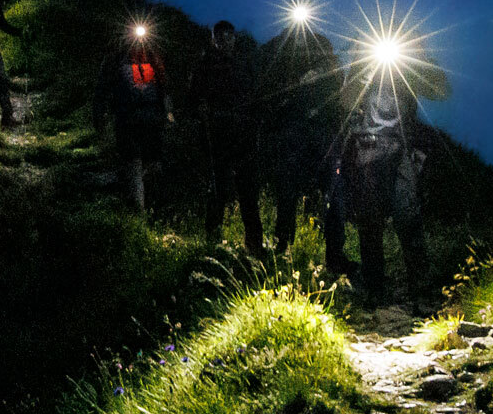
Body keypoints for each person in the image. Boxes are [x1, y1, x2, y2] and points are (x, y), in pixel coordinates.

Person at [335, 41, 451, 302]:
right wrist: (364, 68)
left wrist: (420, 56)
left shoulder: (408, 68)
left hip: (402, 149)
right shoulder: (361, 65)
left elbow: (442, 91)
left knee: (408, 217)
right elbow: (345, 101)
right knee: (370, 222)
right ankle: (375, 291)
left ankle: (421, 293)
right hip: (368, 147)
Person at [258, 20, 346, 270]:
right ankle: (281, 249)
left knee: (333, 195)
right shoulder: (283, 55)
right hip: (294, 134)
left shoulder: (326, 54)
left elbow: (339, 86)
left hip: (326, 135)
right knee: (288, 192)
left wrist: (321, 75)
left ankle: (335, 257)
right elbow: (272, 88)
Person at [185, 20, 265, 256]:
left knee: (247, 191)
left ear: (234, 38)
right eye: (220, 38)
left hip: (244, 135)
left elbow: (257, 95)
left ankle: (254, 246)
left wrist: (255, 123)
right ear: (214, 40)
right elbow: (192, 101)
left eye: (229, 37)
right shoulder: (205, 65)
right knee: (219, 190)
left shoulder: (243, 63)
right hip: (218, 136)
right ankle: (213, 243)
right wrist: (203, 118)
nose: (225, 41)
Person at [92, 21, 174, 213]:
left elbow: (165, 88)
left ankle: (152, 207)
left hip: (153, 118)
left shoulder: (154, 58)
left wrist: (169, 114)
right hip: (126, 118)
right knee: (133, 162)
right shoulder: (115, 59)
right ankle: (138, 213)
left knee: (154, 165)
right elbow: (102, 89)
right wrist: (99, 116)